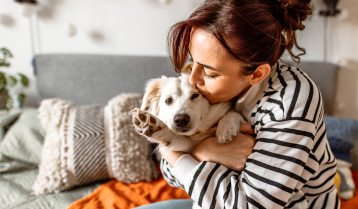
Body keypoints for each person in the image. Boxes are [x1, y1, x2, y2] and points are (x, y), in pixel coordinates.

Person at [138, 0, 339, 208]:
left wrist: (177, 155)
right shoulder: (214, 89)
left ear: (256, 75)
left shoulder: (290, 103)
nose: (192, 79)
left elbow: (250, 205)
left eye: (209, 72)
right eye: (193, 61)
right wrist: (201, 152)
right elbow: (172, 175)